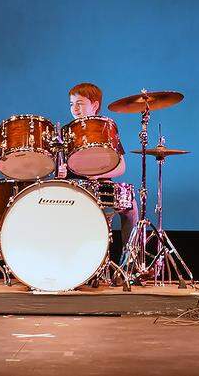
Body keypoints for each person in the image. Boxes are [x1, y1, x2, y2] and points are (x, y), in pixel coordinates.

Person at [61, 83, 137, 265]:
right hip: (74, 188)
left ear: (95, 105)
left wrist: (97, 176)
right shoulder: (65, 131)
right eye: (72, 104)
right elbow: (59, 168)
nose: (75, 108)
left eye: (80, 103)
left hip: (101, 187)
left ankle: (128, 263)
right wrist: (61, 172)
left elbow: (121, 167)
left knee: (131, 206)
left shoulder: (106, 128)